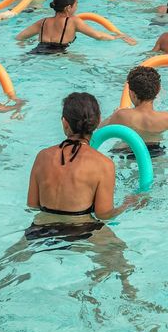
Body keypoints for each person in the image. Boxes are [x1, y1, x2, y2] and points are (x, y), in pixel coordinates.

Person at [26, 92, 141, 236]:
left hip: (40, 228)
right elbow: (104, 214)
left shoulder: (42, 156)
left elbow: (33, 205)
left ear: (64, 122)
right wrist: (126, 204)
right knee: (119, 255)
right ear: (98, 121)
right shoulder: (104, 164)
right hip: (81, 229)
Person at [101, 65, 168, 145]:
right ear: (158, 91)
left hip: (127, 151)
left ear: (132, 94)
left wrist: (113, 114)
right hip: (155, 152)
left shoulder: (122, 115)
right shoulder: (165, 118)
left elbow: (99, 128)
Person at [16, 0, 135, 53]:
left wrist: (28, 44)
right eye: (76, 4)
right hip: (59, 55)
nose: (77, 7)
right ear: (68, 8)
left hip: (36, 52)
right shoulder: (73, 21)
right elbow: (98, 36)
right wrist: (118, 37)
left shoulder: (42, 22)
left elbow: (20, 37)